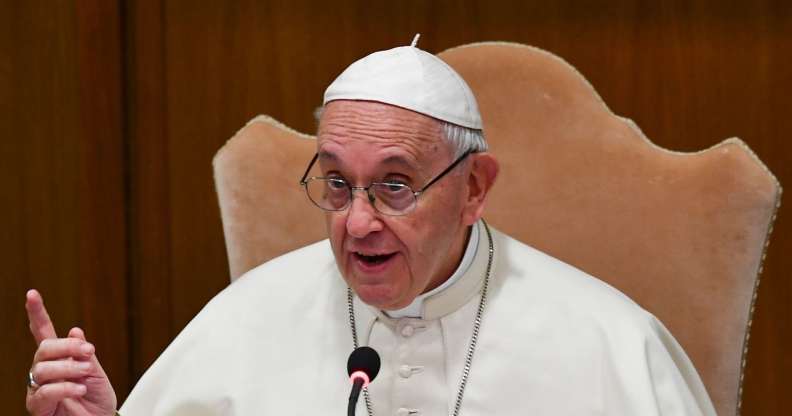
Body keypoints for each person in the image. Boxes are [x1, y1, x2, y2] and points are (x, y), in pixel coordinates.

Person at [25, 40, 717, 415]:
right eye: (336, 183)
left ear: (473, 188)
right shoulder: (244, 322)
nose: (358, 223)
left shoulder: (611, 346)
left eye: (395, 185)